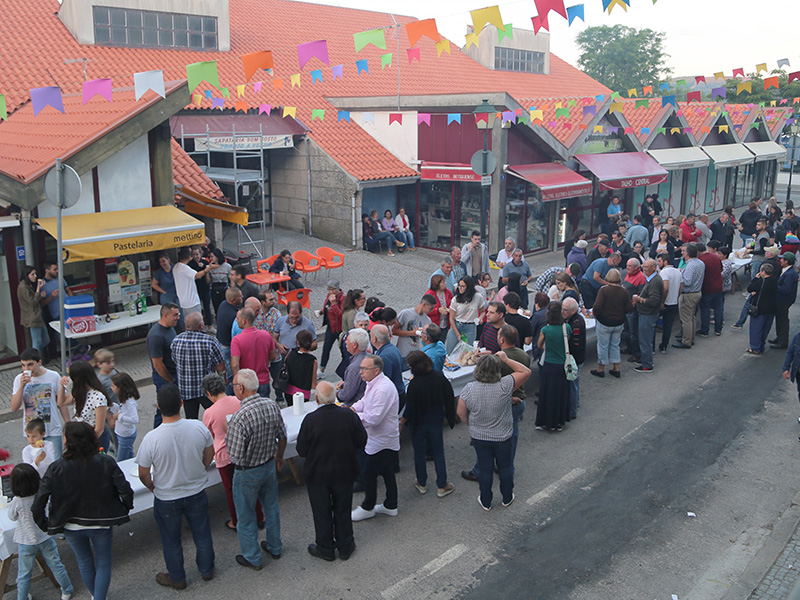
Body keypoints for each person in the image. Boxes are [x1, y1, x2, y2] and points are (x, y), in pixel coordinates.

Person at [33, 421, 133, 600]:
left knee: (84, 563)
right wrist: (124, 508)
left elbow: (39, 500)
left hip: (71, 525)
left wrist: (45, 524)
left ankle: (97, 596)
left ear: (68, 442)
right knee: (103, 563)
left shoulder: (56, 467)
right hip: (101, 521)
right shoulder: (105, 461)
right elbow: (124, 489)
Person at [137, 384, 215, 588]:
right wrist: (202, 469)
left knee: (171, 540)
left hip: (167, 497)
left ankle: (177, 578)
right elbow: (210, 452)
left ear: (158, 407)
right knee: (202, 532)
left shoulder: (151, 438)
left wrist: (153, 487)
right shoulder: (197, 427)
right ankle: (207, 570)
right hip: (196, 491)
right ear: (181, 404)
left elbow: (143, 473)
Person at [296, 381, 368, 561]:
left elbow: (301, 450)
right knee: (343, 508)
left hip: (318, 474)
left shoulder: (311, 420)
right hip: (344, 470)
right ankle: (346, 545)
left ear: (317, 399)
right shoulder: (348, 415)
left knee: (322, 512)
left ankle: (325, 547)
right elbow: (362, 441)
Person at [226, 368, 287, 570]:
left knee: (245, 517)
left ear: (241, 388)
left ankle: (252, 557)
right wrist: (279, 457)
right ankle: (275, 546)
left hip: (247, 472)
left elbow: (234, 456)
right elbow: (282, 435)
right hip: (269, 465)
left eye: (234, 386)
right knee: (271, 508)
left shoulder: (239, 417)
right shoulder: (271, 405)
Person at [457, 352, 529, 510]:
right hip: (503, 436)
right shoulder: (505, 385)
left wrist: (470, 423)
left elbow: (461, 413)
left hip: (480, 436)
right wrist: (506, 359)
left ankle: (486, 500)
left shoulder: (469, 389)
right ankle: (507, 497)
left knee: (485, 468)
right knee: (505, 467)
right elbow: (526, 371)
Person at [201, 373, 265, 531]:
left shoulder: (209, 412)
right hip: (244, 450)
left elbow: (208, 437)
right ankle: (259, 516)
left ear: (208, 393)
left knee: (232, 491)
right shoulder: (239, 401)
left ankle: (237, 521)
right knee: (251, 486)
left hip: (224, 455)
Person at [9, 463, 74, 600]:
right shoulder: (41, 495)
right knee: (56, 564)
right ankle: (66, 590)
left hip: (25, 541)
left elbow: (12, 517)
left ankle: (22, 597)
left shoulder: (17, 501)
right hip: (44, 536)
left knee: (24, 573)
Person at [350, 355, 401, 521]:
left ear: (376, 370)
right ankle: (390, 504)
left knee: (368, 474)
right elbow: (365, 401)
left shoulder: (383, 388)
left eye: (364, 369)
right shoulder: (373, 383)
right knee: (386, 472)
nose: (361, 372)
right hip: (377, 437)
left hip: (382, 439)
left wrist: (354, 416)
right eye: (361, 368)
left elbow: (374, 418)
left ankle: (368, 506)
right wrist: (353, 408)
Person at [401, 351, 456, 497]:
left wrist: (401, 422)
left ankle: (422, 482)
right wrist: (450, 417)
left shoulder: (414, 384)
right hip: (435, 420)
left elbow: (410, 408)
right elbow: (449, 397)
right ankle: (442, 485)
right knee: (438, 452)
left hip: (417, 423)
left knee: (419, 453)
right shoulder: (439, 377)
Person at [166, 311, 226, 421]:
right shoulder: (210, 341)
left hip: (186, 390)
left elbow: (175, 361)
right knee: (215, 417)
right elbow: (220, 366)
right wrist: (223, 379)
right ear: (201, 325)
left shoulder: (176, 341)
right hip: (208, 389)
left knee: (191, 419)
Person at [11, 348, 69, 458]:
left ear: (39, 362)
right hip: (33, 432)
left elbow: (61, 402)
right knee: (38, 462)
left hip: (52, 429)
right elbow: (14, 407)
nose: (26, 369)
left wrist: (68, 423)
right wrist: (22, 386)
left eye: (30, 365)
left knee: (55, 462)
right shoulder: (19, 379)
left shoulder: (53, 376)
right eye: (23, 365)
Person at [58, 360, 112, 451]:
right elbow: (61, 402)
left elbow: (99, 429)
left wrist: (87, 444)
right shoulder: (80, 393)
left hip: (95, 439)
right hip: (81, 437)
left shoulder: (98, 397)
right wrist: (62, 386)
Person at [536, 302, 570, 431]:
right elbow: (567, 343)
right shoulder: (566, 328)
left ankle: (544, 421)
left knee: (547, 393)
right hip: (561, 364)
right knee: (559, 394)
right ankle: (559, 421)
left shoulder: (545, 330)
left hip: (549, 364)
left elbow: (539, 345)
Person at [590, 269, 631, 378]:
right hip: (618, 322)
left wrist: (596, 315)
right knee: (615, 345)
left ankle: (601, 369)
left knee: (603, 346)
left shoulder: (603, 290)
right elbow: (628, 308)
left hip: (604, 322)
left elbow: (597, 306)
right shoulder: (624, 291)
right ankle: (616, 367)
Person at [231, 308, 277, 398]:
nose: (236, 320)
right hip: (263, 381)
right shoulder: (266, 335)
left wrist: (236, 383)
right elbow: (273, 356)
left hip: (246, 384)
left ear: (244, 321)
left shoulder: (237, 340)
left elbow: (234, 365)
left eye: (237, 318)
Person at [147, 303, 179, 427]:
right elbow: (158, 364)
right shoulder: (156, 336)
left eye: (178, 314)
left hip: (173, 373)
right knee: (164, 409)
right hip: (164, 378)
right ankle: (157, 431)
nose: (178, 318)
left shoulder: (171, 328)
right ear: (165, 315)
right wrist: (171, 380)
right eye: (175, 315)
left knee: (173, 407)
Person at [630, 260, 663, 373]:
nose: (644, 269)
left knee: (645, 339)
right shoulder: (652, 279)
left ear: (653, 268)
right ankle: (645, 359)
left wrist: (640, 300)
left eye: (647, 267)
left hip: (648, 314)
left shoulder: (654, 282)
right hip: (647, 313)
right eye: (643, 267)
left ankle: (647, 364)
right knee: (644, 338)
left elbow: (654, 300)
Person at [673, 244, 705, 349]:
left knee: (686, 319)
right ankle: (690, 338)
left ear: (687, 253)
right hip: (697, 292)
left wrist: (679, 275)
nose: (682, 253)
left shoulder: (691, 265)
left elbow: (687, 281)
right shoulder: (700, 263)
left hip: (689, 294)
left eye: (683, 251)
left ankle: (686, 341)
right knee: (691, 317)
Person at [174, 246, 215, 323]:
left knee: (188, 323)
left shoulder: (176, 267)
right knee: (196, 323)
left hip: (183, 302)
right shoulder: (184, 268)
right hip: (192, 302)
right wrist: (208, 269)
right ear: (189, 257)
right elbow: (197, 275)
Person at [392, 295, 435, 367]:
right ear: (424, 305)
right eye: (431, 308)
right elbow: (394, 331)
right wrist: (411, 333)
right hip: (403, 353)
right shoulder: (405, 313)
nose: (432, 311)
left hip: (417, 355)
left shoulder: (427, 320)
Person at [106, 373, 139, 461]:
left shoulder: (130, 402)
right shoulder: (123, 399)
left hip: (126, 435)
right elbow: (120, 410)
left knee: (121, 460)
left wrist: (119, 417)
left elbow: (135, 419)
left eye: (113, 386)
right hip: (122, 434)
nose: (111, 388)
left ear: (120, 388)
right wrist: (112, 405)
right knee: (129, 457)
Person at [561, 298, 586, 414]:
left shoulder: (576, 323)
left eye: (565, 310)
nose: (562, 312)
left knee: (572, 384)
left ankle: (572, 410)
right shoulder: (574, 319)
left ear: (573, 311)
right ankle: (575, 403)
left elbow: (576, 345)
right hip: (576, 357)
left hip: (575, 359)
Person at [17, 266, 49, 357]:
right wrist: (38, 289)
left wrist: (40, 295)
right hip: (33, 318)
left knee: (46, 340)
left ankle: (33, 357)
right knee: (37, 342)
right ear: (27, 275)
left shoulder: (28, 285)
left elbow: (35, 299)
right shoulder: (23, 287)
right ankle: (33, 360)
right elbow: (33, 302)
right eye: (32, 274)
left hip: (38, 317)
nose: (35, 276)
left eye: (35, 274)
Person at [446, 276, 484, 352]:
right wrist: (457, 334)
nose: (460, 288)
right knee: (450, 350)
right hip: (457, 325)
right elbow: (451, 319)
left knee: (466, 352)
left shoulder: (478, 297)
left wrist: (480, 318)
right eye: (459, 286)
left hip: (470, 326)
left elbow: (483, 311)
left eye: (463, 286)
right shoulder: (455, 299)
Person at [747, 263, 778, 355]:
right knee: (765, 329)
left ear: (763, 272)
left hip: (760, 308)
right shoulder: (774, 281)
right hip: (771, 308)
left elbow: (750, 288)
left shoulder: (761, 282)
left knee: (756, 329)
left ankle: (755, 347)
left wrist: (756, 278)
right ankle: (761, 345)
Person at [770, 252, 798, 349]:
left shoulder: (790, 274)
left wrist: (774, 286)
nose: (781, 260)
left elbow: (786, 290)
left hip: (784, 300)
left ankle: (783, 341)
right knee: (779, 319)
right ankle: (779, 337)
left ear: (787, 261)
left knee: (782, 320)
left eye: (783, 259)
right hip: (782, 300)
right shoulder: (787, 271)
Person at [318, 280, 345, 379]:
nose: (331, 291)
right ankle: (322, 369)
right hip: (330, 327)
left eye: (333, 289)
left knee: (343, 350)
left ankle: (346, 367)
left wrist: (334, 303)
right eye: (329, 289)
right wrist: (322, 311)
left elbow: (341, 314)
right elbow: (327, 307)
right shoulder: (328, 296)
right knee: (326, 348)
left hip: (339, 328)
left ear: (338, 288)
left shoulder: (343, 298)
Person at [336, 328, 370, 405]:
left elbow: (346, 395)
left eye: (347, 340)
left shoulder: (354, 367)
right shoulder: (370, 357)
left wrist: (335, 393)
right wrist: (347, 383)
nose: (345, 342)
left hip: (355, 407)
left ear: (354, 345)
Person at [283, 329, 318, 404]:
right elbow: (313, 383)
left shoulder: (291, 352)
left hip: (289, 390)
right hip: (303, 393)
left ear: (298, 342)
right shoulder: (312, 360)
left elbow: (285, 364)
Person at [697, 243, 724, 337]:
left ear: (698, 252)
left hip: (707, 287)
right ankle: (718, 329)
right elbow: (721, 269)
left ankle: (705, 330)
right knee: (718, 308)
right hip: (718, 286)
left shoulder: (701, 260)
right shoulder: (716, 257)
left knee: (705, 309)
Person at [656, 253, 682, 353]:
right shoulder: (677, 271)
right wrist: (677, 296)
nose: (658, 263)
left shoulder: (664, 272)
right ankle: (664, 346)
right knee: (668, 326)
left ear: (665, 262)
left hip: (665, 303)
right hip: (673, 302)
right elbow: (681, 286)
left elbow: (665, 288)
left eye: (659, 261)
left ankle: (653, 347)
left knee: (654, 324)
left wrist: (662, 302)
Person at [371, 325, 404, 396]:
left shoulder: (383, 357)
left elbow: (383, 381)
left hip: (392, 395)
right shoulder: (393, 349)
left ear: (374, 338)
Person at [189, 246, 213, 327]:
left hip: (205, 289)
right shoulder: (190, 264)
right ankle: (198, 325)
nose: (195, 256)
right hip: (195, 290)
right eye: (193, 254)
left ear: (200, 254)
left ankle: (210, 325)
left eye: (197, 254)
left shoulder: (205, 263)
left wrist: (204, 269)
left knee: (207, 307)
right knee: (197, 309)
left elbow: (208, 280)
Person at [208, 248, 232, 316]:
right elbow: (208, 281)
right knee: (216, 307)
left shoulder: (227, 267)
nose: (211, 258)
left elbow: (231, 280)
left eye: (212, 256)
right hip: (214, 288)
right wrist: (207, 270)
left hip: (224, 288)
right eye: (210, 257)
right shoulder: (210, 267)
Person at [529, 292, 550, 365]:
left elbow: (531, 330)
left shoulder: (537, 316)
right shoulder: (550, 312)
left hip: (540, 344)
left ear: (537, 304)